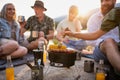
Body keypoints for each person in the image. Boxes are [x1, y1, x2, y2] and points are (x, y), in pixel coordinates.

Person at [64, 7, 120, 73]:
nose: (104, 4)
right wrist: (73, 34)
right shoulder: (116, 13)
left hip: (82, 43)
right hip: (94, 45)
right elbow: (95, 35)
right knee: (108, 41)